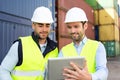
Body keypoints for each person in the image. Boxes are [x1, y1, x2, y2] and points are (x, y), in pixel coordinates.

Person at [0, 6, 58, 80]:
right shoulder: (20, 45)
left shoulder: (55, 49)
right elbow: (3, 70)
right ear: (33, 25)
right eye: (40, 25)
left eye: (47, 25)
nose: (44, 29)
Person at [58, 7, 108, 80]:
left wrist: (90, 77)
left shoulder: (97, 46)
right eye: (69, 27)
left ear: (85, 26)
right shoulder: (63, 51)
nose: (72, 31)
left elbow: (103, 71)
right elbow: (58, 74)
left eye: (76, 26)